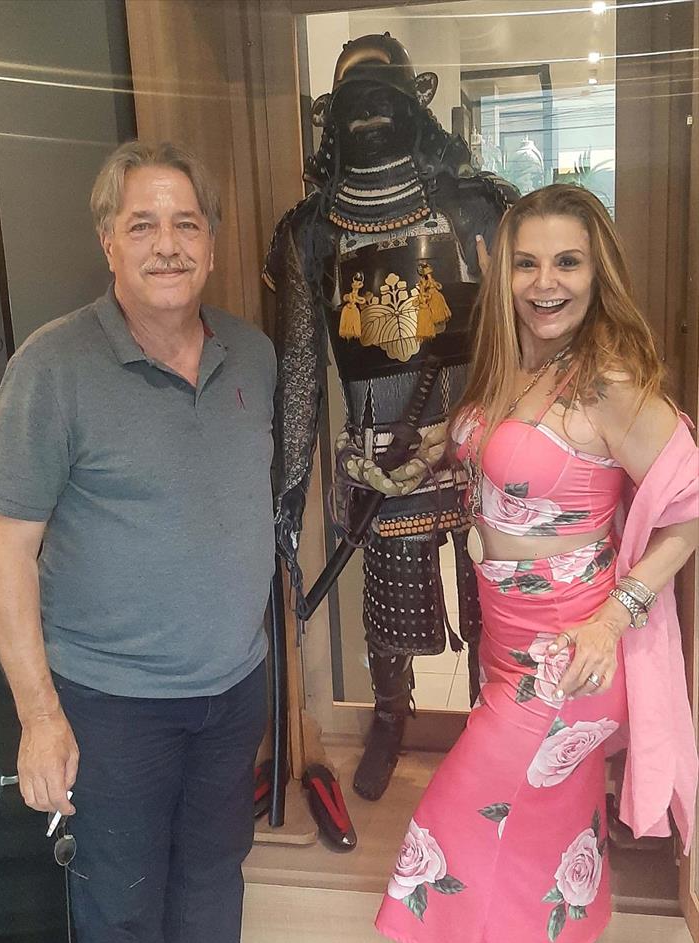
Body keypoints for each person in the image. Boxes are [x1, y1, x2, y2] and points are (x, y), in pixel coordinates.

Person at [375, 184, 698, 943]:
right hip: (508, 644)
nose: (544, 283)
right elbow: (499, 459)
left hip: (570, 657)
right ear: (500, 270)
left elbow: (688, 511)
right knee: (545, 846)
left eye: (566, 263)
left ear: (596, 273)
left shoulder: (606, 383)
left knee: (454, 823)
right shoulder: (511, 363)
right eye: (525, 263)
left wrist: (612, 618)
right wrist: (430, 455)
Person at [0, 141, 276, 943]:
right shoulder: (53, 367)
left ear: (212, 242)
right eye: (142, 225)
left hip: (231, 694)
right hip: (111, 708)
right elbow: (2, 550)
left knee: (213, 885)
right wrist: (40, 717)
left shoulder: (252, 354)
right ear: (108, 241)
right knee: (121, 912)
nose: (167, 245)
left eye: (187, 224)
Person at [264, 33, 516, 801]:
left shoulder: (477, 206)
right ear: (332, 115)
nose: (371, 114)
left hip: (475, 443)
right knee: (388, 597)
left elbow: (518, 337)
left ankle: (498, 725)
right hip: (378, 451)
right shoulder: (312, 231)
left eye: (383, 96)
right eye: (356, 100)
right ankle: (387, 716)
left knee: (492, 596)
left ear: (413, 102)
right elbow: (300, 370)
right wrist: (288, 491)